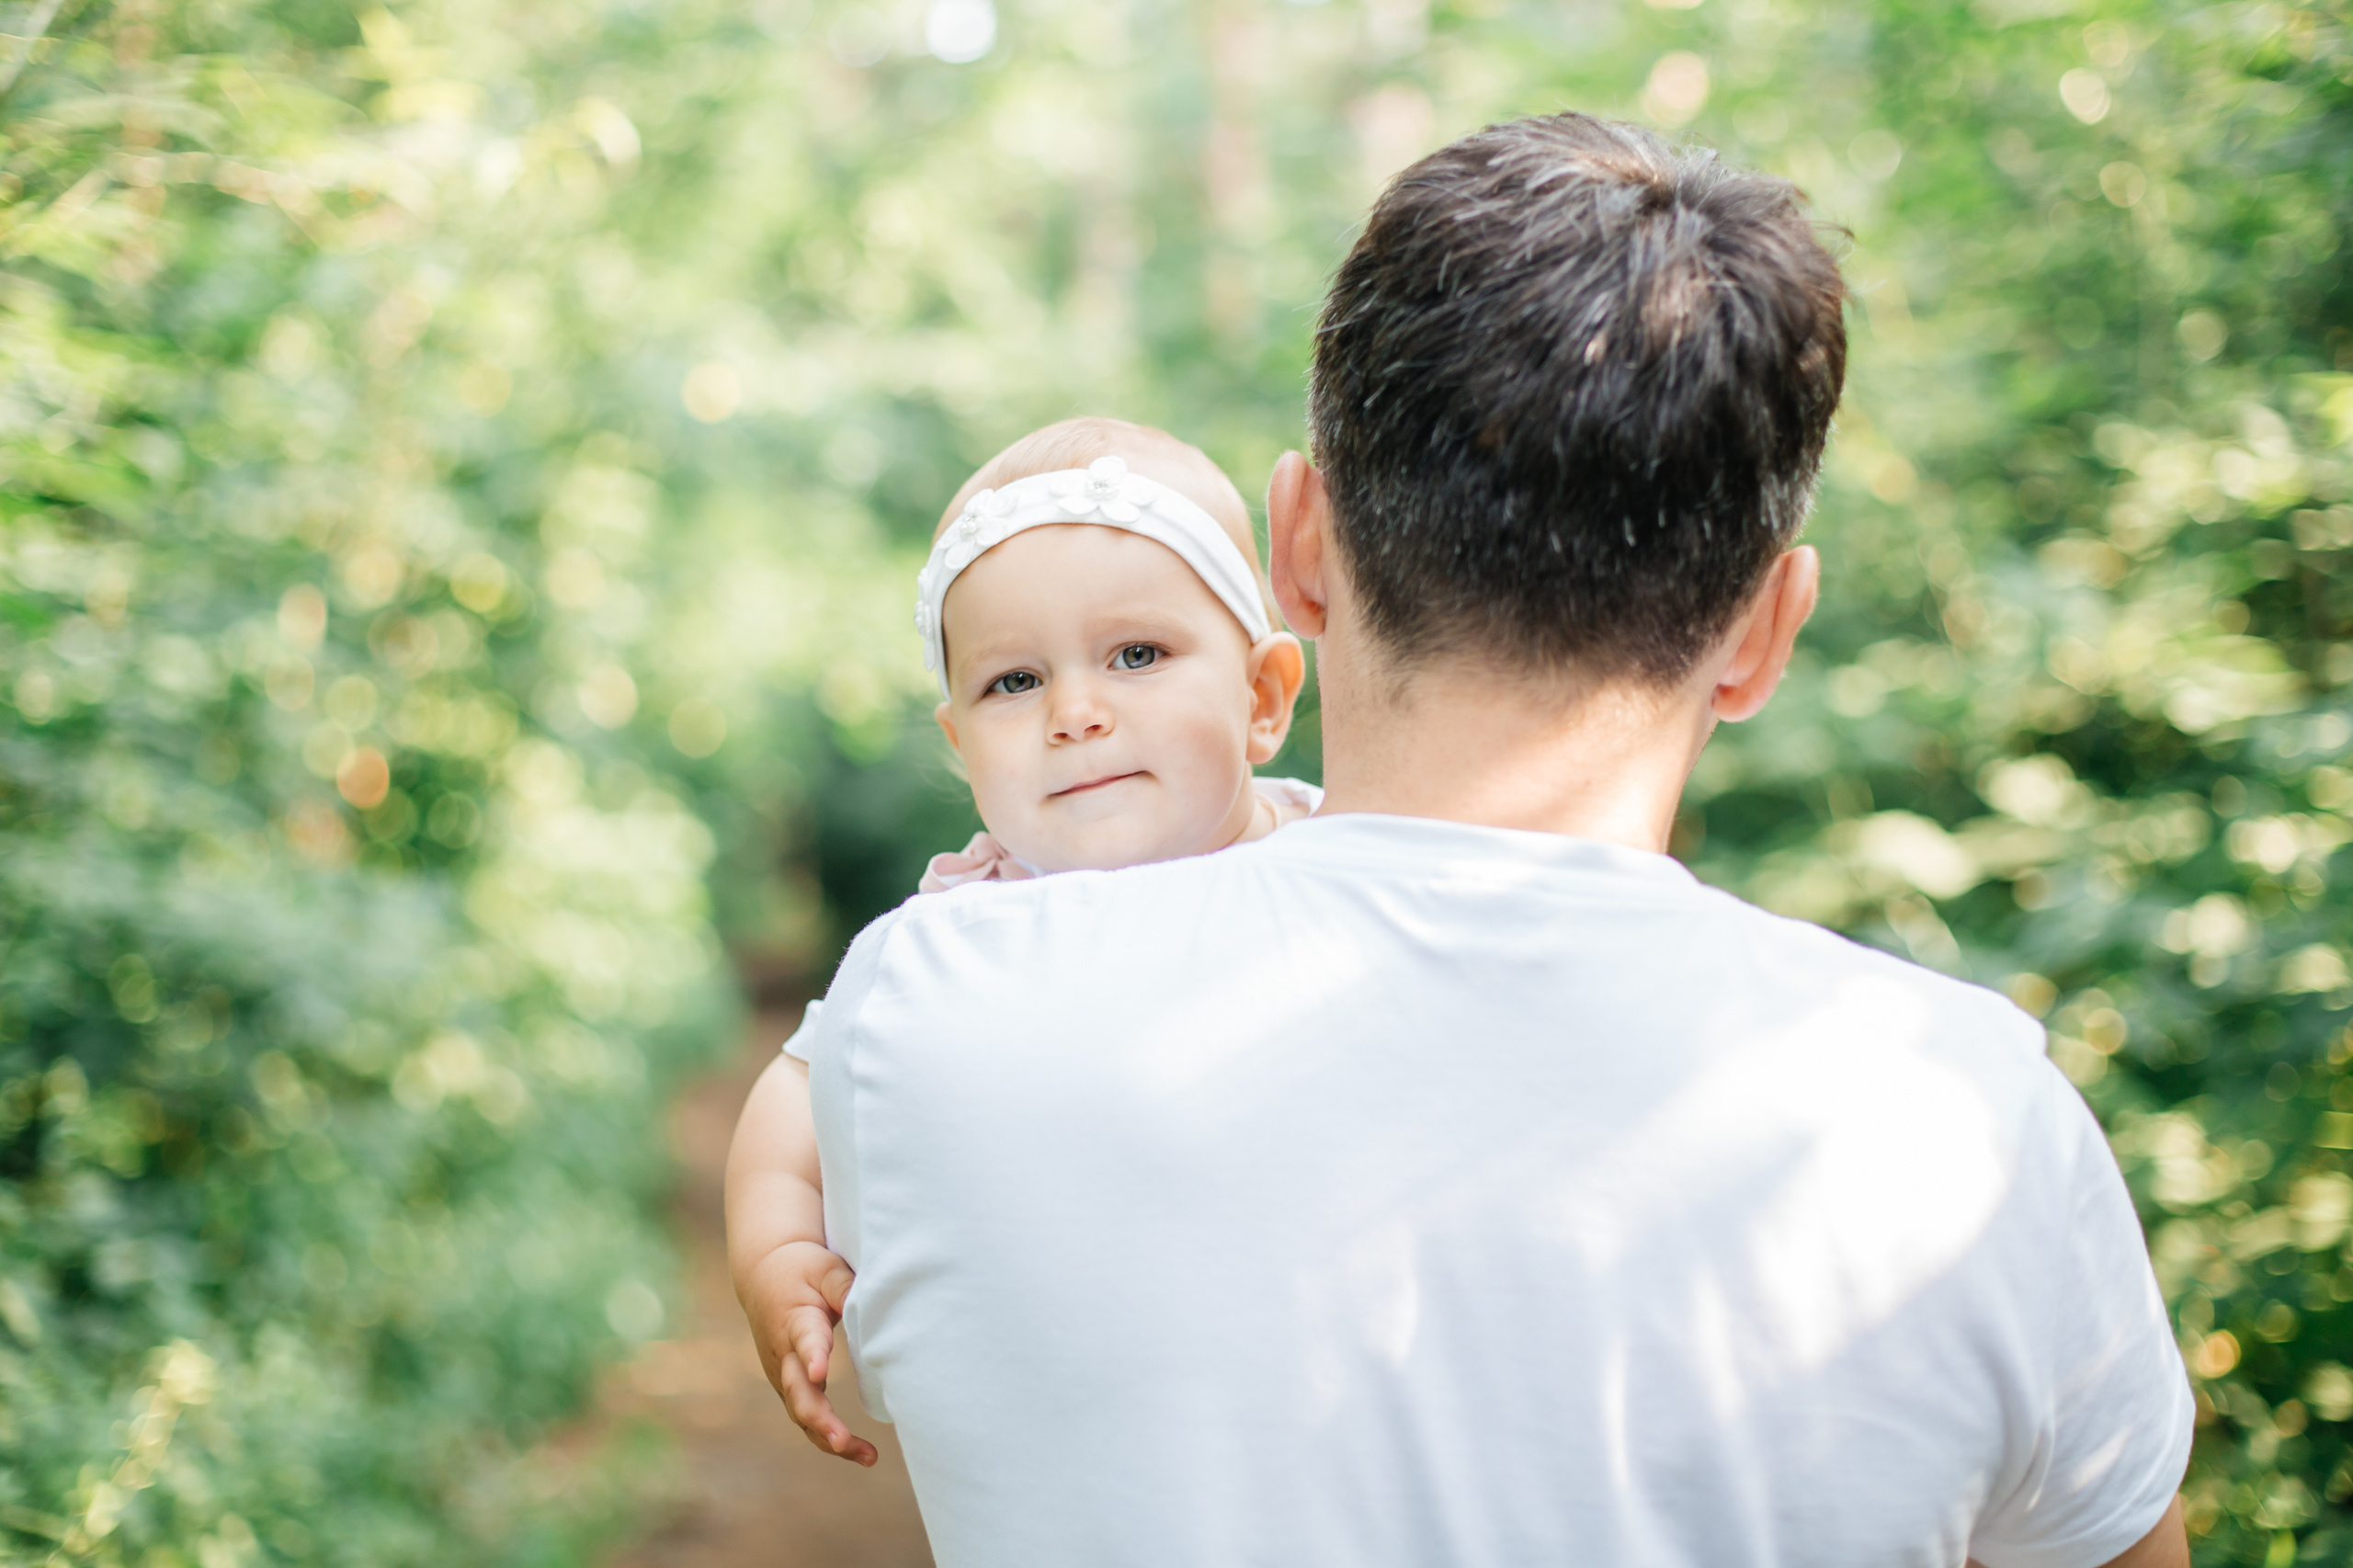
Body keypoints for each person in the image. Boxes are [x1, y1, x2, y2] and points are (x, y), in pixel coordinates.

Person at [728, 113, 2193, 1567]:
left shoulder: (927, 1011)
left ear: (1298, 549)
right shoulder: (1966, 1123)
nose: (1076, 715)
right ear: (1763, 632)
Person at [729, 416, 1314, 1462]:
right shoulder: (959, 926)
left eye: (1137, 654)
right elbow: (795, 1087)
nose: (1075, 712)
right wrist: (774, 1251)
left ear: (1263, 697)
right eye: (1013, 681)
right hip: (1089, 1393)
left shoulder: (1336, 850)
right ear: (958, 739)